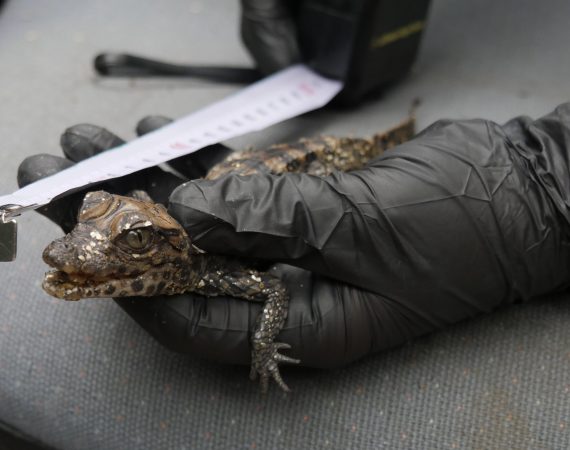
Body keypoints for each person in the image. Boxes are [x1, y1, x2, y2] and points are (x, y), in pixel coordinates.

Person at [16, 1, 570, 372]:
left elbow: (274, 288)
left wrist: (264, 346)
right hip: (257, 170)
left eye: (132, 241)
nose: (72, 247)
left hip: (307, 164)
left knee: (348, 166)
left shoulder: (205, 262)